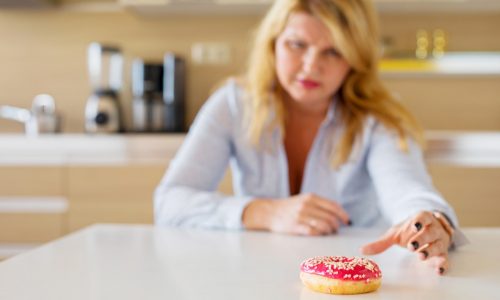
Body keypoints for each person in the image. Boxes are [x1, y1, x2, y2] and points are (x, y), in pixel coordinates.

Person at [154, 0, 466, 275]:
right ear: (272, 44)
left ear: (355, 59)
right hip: (257, 274)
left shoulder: (379, 118)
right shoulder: (233, 103)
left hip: (360, 280)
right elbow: (170, 201)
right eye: (297, 45)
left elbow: (408, 190)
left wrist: (430, 223)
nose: (311, 66)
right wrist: (263, 211)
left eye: (333, 51)